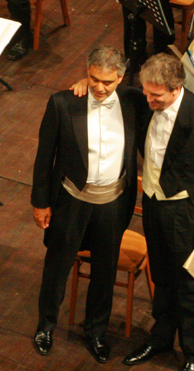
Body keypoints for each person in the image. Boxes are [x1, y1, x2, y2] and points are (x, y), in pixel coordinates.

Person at [31, 46, 145, 363]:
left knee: (105, 271)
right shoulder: (63, 103)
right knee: (57, 267)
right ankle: (45, 327)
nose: (99, 87)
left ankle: (96, 332)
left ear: (121, 77)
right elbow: (44, 157)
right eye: (94, 79)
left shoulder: (134, 101)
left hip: (113, 204)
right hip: (71, 201)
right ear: (86, 71)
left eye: (108, 82)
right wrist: (40, 202)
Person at [122, 53, 194, 371]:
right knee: (161, 276)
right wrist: (84, 83)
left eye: (156, 96)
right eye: (146, 92)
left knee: (188, 284)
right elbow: (121, 89)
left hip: (183, 211)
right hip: (153, 203)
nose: (148, 100)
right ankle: (161, 337)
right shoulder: (147, 99)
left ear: (176, 88)